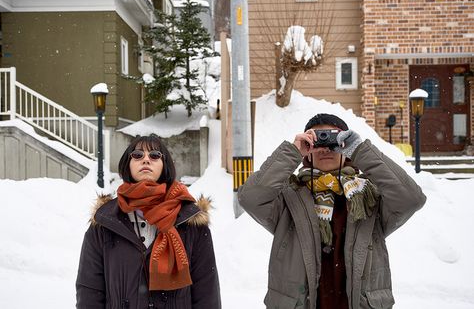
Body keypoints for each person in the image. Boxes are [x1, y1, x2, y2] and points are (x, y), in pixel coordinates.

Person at [238, 113, 426, 309]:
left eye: (335, 140)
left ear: (347, 148)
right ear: (308, 151)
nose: (326, 147)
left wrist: (361, 151)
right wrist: (293, 152)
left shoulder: (368, 196)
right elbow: (250, 198)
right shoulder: (289, 198)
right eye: (317, 140)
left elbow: (411, 198)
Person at [76, 134, 221, 309]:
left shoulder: (190, 221)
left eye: (154, 155)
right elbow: (90, 290)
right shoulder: (105, 222)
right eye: (137, 155)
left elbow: (206, 291)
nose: (146, 159)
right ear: (127, 164)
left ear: (164, 165)